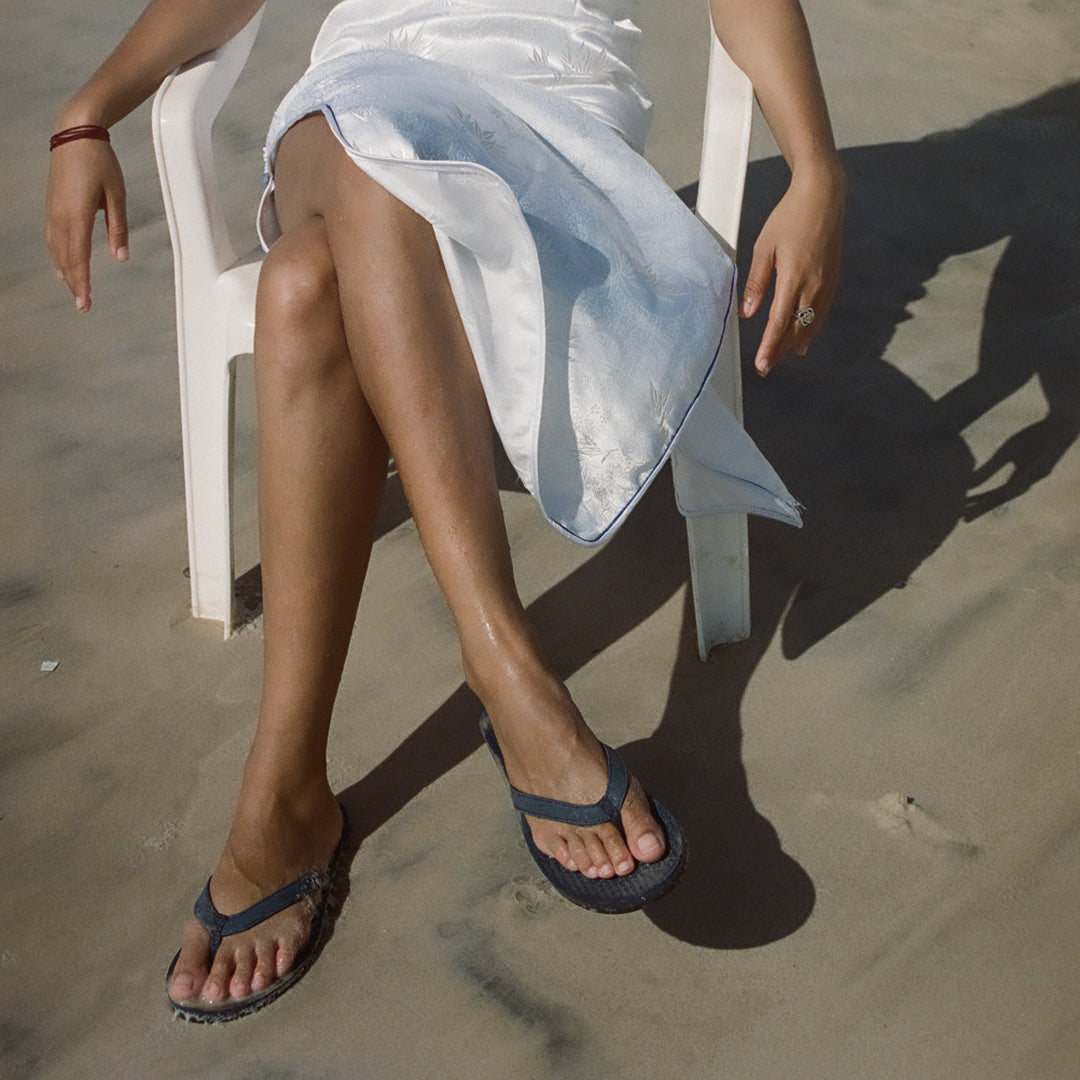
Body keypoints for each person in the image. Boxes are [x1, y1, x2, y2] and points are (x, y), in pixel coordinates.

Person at [45, 0, 845, 1022]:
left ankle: (285, 794)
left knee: (302, 288)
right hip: (352, 101)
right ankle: (504, 665)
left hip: (550, 108)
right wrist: (89, 111)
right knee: (371, 129)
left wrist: (816, 166)